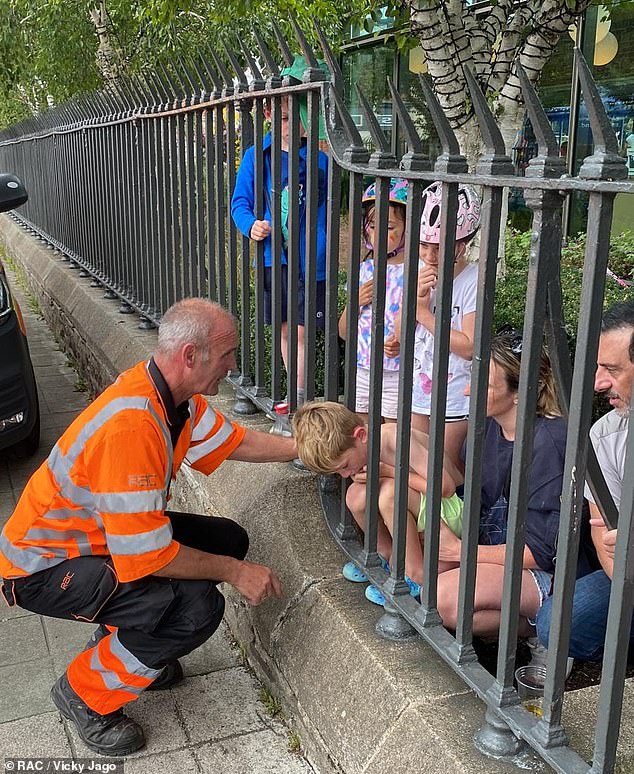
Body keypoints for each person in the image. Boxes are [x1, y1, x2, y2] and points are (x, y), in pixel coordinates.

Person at [0, 298, 296, 757]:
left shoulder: (170, 398)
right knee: (197, 610)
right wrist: (236, 573)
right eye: (227, 355)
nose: (233, 366)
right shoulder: (133, 428)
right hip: (43, 569)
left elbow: (237, 441)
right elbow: (148, 556)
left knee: (227, 541)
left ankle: (127, 638)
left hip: (98, 542)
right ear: (190, 357)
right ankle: (84, 693)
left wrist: (307, 450)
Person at [435, 328, 568, 647]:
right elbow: (475, 505)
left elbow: (541, 553)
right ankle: (530, 627)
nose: (468, 391)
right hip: (501, 552)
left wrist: (460, 552)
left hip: (551, 573)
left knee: (445, 597)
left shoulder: (551, 443)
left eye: (485, 384)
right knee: (428, 576)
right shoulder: (485, 430)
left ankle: (546, 630)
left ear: (520, 392)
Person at [292, 400, 463, 605]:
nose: (345, 474)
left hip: (453, 509)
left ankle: (415, 573)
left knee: (390, 493)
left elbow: (446, 488)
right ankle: (385, 553)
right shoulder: (363, 452)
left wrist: (389, 472)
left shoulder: (394, 439)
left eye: (344, 466)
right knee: (355, 495)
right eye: (338, 472)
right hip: (425, 507)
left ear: (361, 436)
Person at [537, 300, 634, 661]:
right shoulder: (605, 435)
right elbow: (601, 529)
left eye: (611, 368)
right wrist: (626, 576)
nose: (598, 383)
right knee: (557, 624)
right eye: (597, 367)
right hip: (629, 571)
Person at [231, 56, 329, 407]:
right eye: (284, 117)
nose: (291, 125)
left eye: (298, 116)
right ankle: (298, 395)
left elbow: (334, 207)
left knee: (302, 330)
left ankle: (302, 399)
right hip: (276, 258)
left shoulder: (321, 159)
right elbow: (239, 203)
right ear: (270, 116)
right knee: (287, 329)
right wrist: (251, 225)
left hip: (311, 260)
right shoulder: (257, 156)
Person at [405, 181, 480, 468]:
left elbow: (470, 346)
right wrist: (415, 299)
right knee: (416, 468)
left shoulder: (473, 281)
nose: (429, 256)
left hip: (455, 396)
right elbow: (399, 336)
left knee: (443, 472)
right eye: (424, 245)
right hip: (418, 392)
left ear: (462, 245)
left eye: (439, 248)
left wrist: (423, 313)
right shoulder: (420, 273)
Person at [338, 178, 410, 424]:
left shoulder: (416, 272)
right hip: (363, 367)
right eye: (371, 225)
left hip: (398, 370)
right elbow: (344, 331)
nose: (377, 233)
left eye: (388, 227)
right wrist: (355, 302)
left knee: (394, 432)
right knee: (362, 428)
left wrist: (402, 341)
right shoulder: (364, 270)